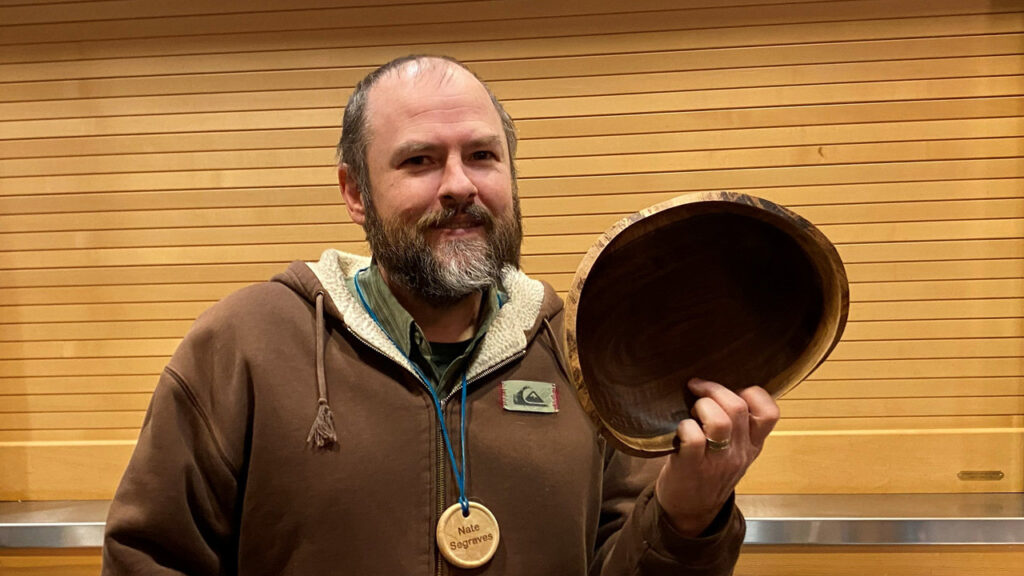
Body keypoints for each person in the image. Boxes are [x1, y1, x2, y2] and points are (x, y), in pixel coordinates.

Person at [102, 54, 779, 575]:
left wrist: (689, 518)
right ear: (355, 192)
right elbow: (146, 560)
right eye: (420, 161)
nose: (459, 185)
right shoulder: (242, 346)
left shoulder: (585, 355)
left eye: (482, 155)